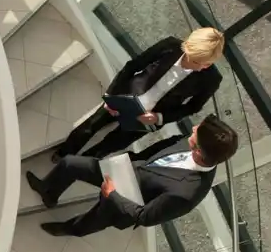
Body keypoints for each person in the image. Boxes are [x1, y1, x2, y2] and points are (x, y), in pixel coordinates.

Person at [25, 114, 238, 237]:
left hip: (122, 202)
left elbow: (145, 217)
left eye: (196, 132)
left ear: (199, 151)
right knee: (70, 163)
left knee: (88, 223)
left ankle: (66, 229)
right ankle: (49, 192)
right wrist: (129, 160)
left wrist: (113, 195)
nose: (192, 128)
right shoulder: (188, 141)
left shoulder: (187, 193)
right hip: (121, 170)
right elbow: (153, 152)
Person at [52, 27, 225, 162]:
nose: (187, 62)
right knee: (90, 125)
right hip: (126, 96)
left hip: (148, 118)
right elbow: (133, 66)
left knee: (107, 146)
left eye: (195, 62)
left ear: (207, 65)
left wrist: (159, 118)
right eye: (187, 55)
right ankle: (63, 153)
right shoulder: (170, 46)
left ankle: (72, 168)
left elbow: (192, 107)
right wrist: (112, 94)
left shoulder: (211, 79)